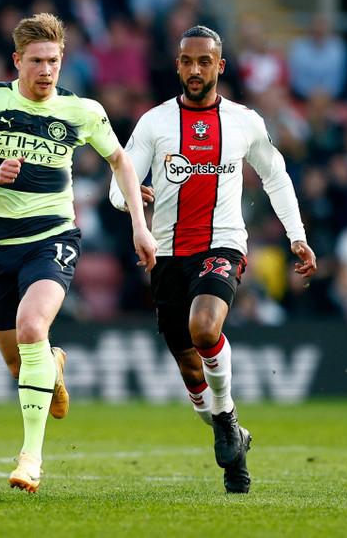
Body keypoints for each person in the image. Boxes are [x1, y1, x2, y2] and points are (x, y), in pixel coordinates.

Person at [0, 13, 157, 493]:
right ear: (17, 61)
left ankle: (31, 458)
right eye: (36, 61)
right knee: (21, 365)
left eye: (54, 61)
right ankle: (53, 366)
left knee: (32, 327)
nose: (46, 71)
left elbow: (120, 158)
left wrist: (139, 227)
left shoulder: (82, 110)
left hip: (52, 237)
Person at [109, 25, 317, 494]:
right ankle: (230, 427)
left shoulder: (245, 121)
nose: (197, 69)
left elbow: (276, 176)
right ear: (178, 65)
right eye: (188, 61)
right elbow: (119, 180)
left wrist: (297, 236)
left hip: (222, 244)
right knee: (190, 370)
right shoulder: (154, 123)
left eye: (206, 61)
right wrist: (129, 199)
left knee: (206, 329)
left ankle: (225, 425)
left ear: (220, 66)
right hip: (165, 254)